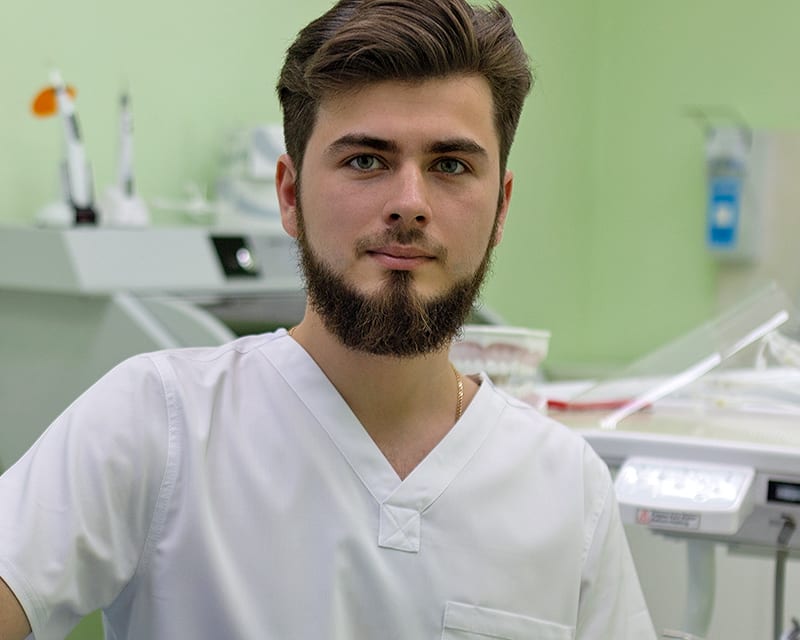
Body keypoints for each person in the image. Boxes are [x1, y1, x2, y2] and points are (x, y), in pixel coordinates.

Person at [0, 0, 658, 638]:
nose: (409, 203)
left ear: (502, 208)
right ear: (290, 194)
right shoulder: (160, 420)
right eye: (366, 160)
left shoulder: (567, 487)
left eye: (450, 165)